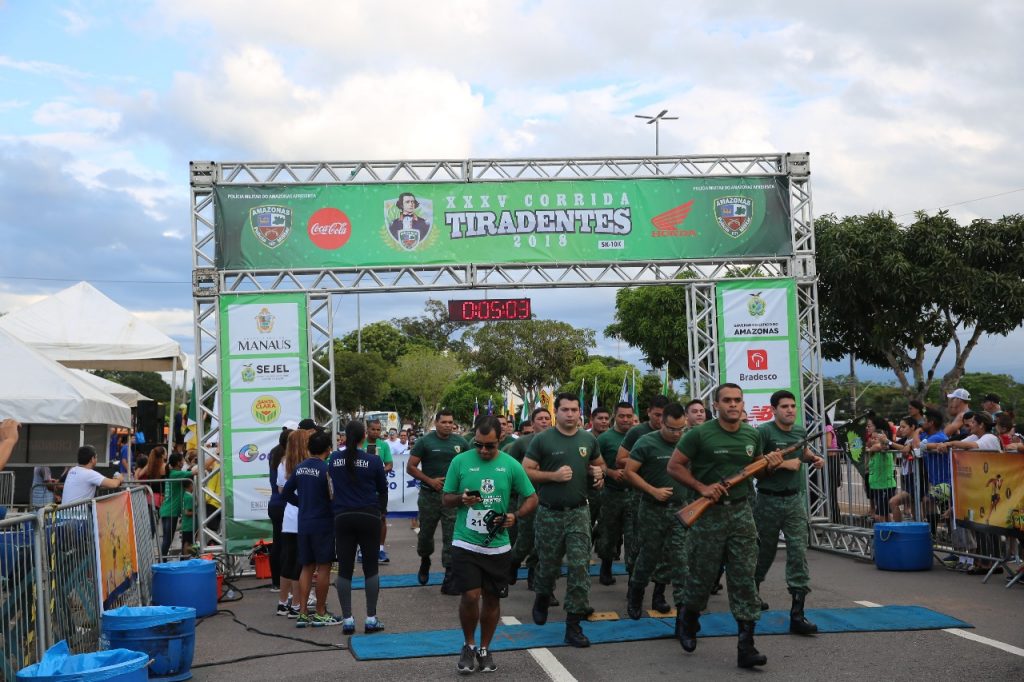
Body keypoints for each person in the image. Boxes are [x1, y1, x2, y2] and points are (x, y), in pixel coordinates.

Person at [667, 383, 783, 669]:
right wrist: (700, 487)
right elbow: (675, 466)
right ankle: (689, 618)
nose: (733, 405)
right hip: (708, 515)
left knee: (744, 578)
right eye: (727, 400)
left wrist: (771, 464)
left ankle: (747, 646)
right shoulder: (699, 434)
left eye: (738, 400)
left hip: (741, 513)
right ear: (715, 405)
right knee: (701, 578)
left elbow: (756, 468)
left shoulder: (751, 434)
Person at [443, 416, 538, 674]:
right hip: (466, 542)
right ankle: (468, 645)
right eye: (479, 445)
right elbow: (446, 498)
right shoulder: (460, 462)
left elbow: (531, 498)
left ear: (501, 440)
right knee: (471, 595)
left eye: (490, 446)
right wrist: (461, 499)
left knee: (492, 600)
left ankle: (484, 648)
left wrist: (514, 516)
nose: (483, 450)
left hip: (497, 546)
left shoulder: (510, 465)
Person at [524, 393, 604, 648]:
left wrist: (599, 473)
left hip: (579, 512)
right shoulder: (543, 439)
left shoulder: (588, 439)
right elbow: (525, 470)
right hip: (549, 513)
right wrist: (553, 476)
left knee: (580, 566)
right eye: (565, 410)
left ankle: (574, 625)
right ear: (556, 412)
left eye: (574, 410)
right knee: (548, 565)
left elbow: (599, 464)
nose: (570, 414)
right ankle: (542, 594)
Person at [752, 390, 824, 635]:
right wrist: (782, 463)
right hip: (768, 501)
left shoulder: (800, 431)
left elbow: (801, 452)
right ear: (774, 409)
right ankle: (752, 593)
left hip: (794, 501)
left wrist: (813, 458)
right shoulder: (764, 432)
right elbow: (754, 465)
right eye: (784, 406)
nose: (790, 410)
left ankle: (797, 612)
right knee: (764, 551)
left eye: (793, 406)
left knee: (797, 551)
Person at [623, 402, 691, 620]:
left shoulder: (688, 442)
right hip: (652, 509)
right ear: (661, 422)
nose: (677, 433)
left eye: (681, 428)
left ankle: (676, 605)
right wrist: (652, 490)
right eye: (672, 429)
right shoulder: (646, 442)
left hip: (681, 510)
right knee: (649, 555)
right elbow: (629, 472)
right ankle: (636, 593)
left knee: (679, 558)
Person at [328, 421, 388, 635]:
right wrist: (381, 512)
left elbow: (332, 484)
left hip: (343, 516)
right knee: (371, 568)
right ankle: (371, 618)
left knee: (345, 569)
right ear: (364, 436)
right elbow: (383, 490)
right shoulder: (373, 460)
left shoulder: (334, 459)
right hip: (368, 516)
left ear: (344, 437)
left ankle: (347, 620)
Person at [407, 409, 471, 593]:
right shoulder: (425, 441)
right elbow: (411, 467)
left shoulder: (460, 442)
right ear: (436, 423)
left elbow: (469, 465)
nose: (448, 426)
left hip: (451, 497)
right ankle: (425, 560)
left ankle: (449, 576)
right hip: (429, 496)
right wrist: (430, 481)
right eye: (444, 422)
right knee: (426, 535)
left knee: (451, 536)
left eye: (451, 422)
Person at [281, 429, 340, 627]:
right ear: (328, 449)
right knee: (323, 567)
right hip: (322, 523)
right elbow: (333, 498)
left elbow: (286, 493)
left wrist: (302, 503)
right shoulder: (326, 470)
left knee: (306, 566)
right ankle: (321, 611)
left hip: (304, 523)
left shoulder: (299, 468)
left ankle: (303, 612)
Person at [615, 395, 670, 577]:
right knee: (639, 537)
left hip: (669, 494)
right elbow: (620, 460)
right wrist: (645, 461)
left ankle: (660, 581)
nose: (660, 419)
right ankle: (634, 576)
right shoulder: (637, 433)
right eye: (657, 415)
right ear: (648, 412)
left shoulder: (676, 433)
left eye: (664, 415)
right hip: (641, 493)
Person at [506, 407, 552, 592]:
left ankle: (536, 576)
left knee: (546, 542)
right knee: (525, 540)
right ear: (532, 423)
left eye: (547, 418)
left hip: (550, 499)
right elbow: (509, 469)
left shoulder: (557, 442)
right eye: (539, 418)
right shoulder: (521, 444)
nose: (544, 421)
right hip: (527, 497)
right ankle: (514, 562)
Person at [595, 401, 636, 585]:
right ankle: (605, 567)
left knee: (634, 535)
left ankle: (633, 576)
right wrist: (611, 472)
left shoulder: (641, 436)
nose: (625, 419)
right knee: (609, 534)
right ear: (615, 416)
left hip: (635, 494)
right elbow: (595, 463)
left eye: (629, 416)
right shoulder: (605, 439)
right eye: (622, 416)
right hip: (611, 494)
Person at [276, 428, 306, 619]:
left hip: (289, 517)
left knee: (288, 560)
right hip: (302, 517)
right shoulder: (307, 464)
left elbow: (281, 491)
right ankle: (296, 604)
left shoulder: (283, 464)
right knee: (300, 562)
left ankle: (282, 602)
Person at [268, 423, 295, 595]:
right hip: (285, 504)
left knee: (278, 543)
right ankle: (286, 584)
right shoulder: (287, 459)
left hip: (275, 504)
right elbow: (283, 487)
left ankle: (276, 582)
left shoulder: (274, 454)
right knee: (287, 546)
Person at [361, 419, 393, 563]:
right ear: (367, 429)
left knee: (381, 518)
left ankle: (380, 549)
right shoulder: (360, 444)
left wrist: (378, 471)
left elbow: (389, 464)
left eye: (378, 429)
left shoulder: (384, 445)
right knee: (362, 518)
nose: (376, 432)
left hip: (379, 489)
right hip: (361, 489)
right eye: (373, 429)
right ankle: (362, 550)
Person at [159, 452, 193, 559]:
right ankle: (161, 562)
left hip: (168, 510)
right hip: (170, 511)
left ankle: (161, 560)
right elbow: (194, 472)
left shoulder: (173, 473)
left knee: (167, 539)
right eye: (182, 460)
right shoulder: (175, 474)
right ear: (179, 463)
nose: (183, 462)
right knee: (167, 539)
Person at [180, 479, 195, 557]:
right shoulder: (189, 497)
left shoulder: (185, 495)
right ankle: (186, 558)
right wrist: (196, 513)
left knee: (186, 542)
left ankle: (185, 558)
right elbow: (186, 512)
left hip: (186, 524)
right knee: (187, 543)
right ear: (190, 485)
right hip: (189, 525)